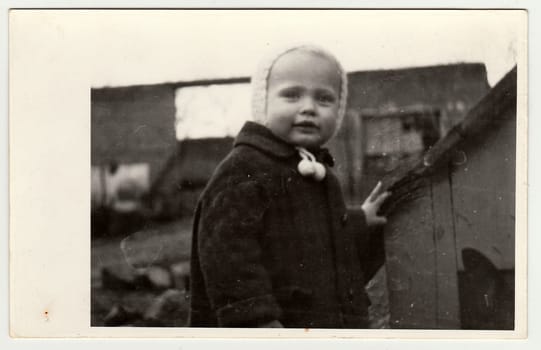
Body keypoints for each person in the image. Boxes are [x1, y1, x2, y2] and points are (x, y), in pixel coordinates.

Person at [189, 44, 390, 328]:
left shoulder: (318, 174)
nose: (308, 108)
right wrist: (255, 319)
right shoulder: (244, 169)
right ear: (263, 103)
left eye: (324, 99)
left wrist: (359, 218)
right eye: (292, 95)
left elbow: (321, 229)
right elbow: (227, 252)